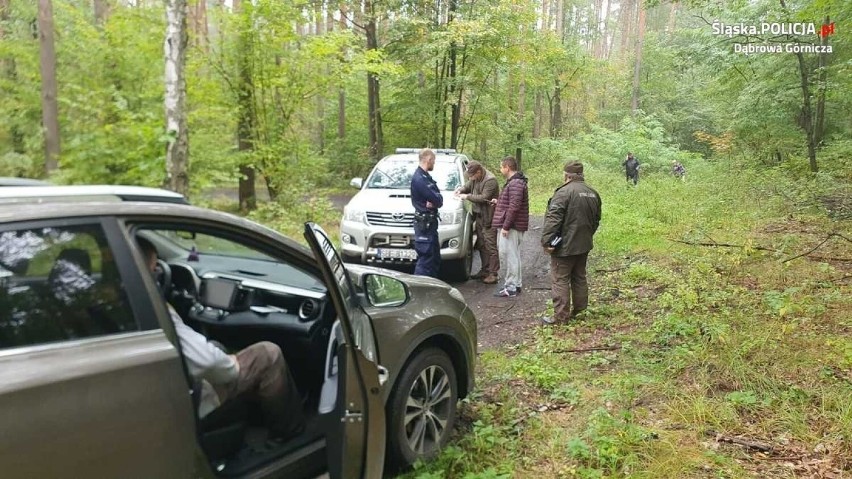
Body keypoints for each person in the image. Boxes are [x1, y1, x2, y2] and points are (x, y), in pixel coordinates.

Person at [136, 237, 304, 440]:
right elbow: (207, 361)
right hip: (187, 400)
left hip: (154, 393)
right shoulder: (151, 309)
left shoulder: (115, 303)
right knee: (268, 354)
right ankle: (289, 435)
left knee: (217, 346)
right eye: (154, 270)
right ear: (142, 272)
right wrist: (232, 365)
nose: (158, 275)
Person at [541, 161, 602, 325]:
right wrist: (587, 236)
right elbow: (596, 220)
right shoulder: (592, 193)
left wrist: (547, 241)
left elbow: (553, 220)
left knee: (560, 279)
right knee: (579, 277)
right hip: (584, 244)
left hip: (565, 247)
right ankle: (581, 312)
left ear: (567, 175)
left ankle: (561, 317)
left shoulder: (563, 193)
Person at [490, 156, 529, 297]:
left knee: (509, 255)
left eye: (501, 167)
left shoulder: (516, 183)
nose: (501, 170)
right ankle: (516, 284)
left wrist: (506, 226)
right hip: (513, 225)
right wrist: (499, 202)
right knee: (514, 255)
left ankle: (511, 287)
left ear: (507, 167)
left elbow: (514, 206)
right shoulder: (514, 183)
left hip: (512, 226)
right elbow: (511, 202)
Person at [455, 161, 500, 284]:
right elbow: (468, 185)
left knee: (490, 244)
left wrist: (467, 196)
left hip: (489, 217)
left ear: (478, 172)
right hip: (479, 216)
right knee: (481, 244)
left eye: (472, 175)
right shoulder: (475, 178)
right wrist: (461, 190)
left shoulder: (490, 180)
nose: (470, 178)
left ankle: (493, 273)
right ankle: (485, 270)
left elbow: (483, 198)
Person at [410, 148, 444, 278]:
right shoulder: (420, 179)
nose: (434, 163)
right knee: (426, 259)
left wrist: (436, 200)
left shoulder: (426, 177)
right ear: (429, 160)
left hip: (430, 224)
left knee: (434, 258)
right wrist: (436, 200)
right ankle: (420, 289)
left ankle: (432, 288)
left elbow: (438, 199)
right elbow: (437, 199)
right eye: (433, 161)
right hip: (425, 225)